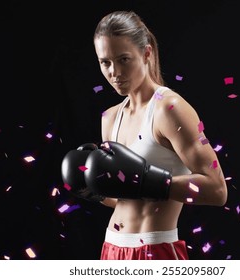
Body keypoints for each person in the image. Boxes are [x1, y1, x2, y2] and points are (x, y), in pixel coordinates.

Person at [61, 10, 228, 260]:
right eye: (105, 62)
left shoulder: (169, 108)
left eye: (124, 59)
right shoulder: (110, 117)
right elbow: (125, 199)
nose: (114, 72)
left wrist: (149, 180)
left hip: (155, 250)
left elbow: (217, 191)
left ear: (146, 53)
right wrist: (94, 190)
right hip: (112, 248)